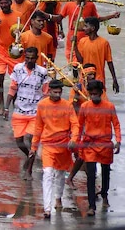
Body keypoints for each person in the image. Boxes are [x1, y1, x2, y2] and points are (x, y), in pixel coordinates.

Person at [32, 79, 79, 219]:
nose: (57, 95)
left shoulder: (67, 105)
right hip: (47, 144)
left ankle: (58, 198)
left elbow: (75, 125)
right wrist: (33, 147)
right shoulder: (42, 105)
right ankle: (47, 208)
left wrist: (74, 139)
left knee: (59, 175)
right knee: (47, 174)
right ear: (48, 91)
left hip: (64, 145)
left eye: (59, 92)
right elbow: (38, 127)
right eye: (54, 92)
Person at [75, 79, 121, 215]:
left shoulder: (109, 106)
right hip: (89, 144)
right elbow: (79, 125)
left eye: (96, 94)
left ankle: (105, 194)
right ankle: (91, 206)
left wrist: (118, 140)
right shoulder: (85, 107)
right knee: (91, 175)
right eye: (91, 94)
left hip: (105, 143)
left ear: (101, 93)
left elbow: (116, 124)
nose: (93, 97)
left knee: (106, 171)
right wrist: (76, 143)